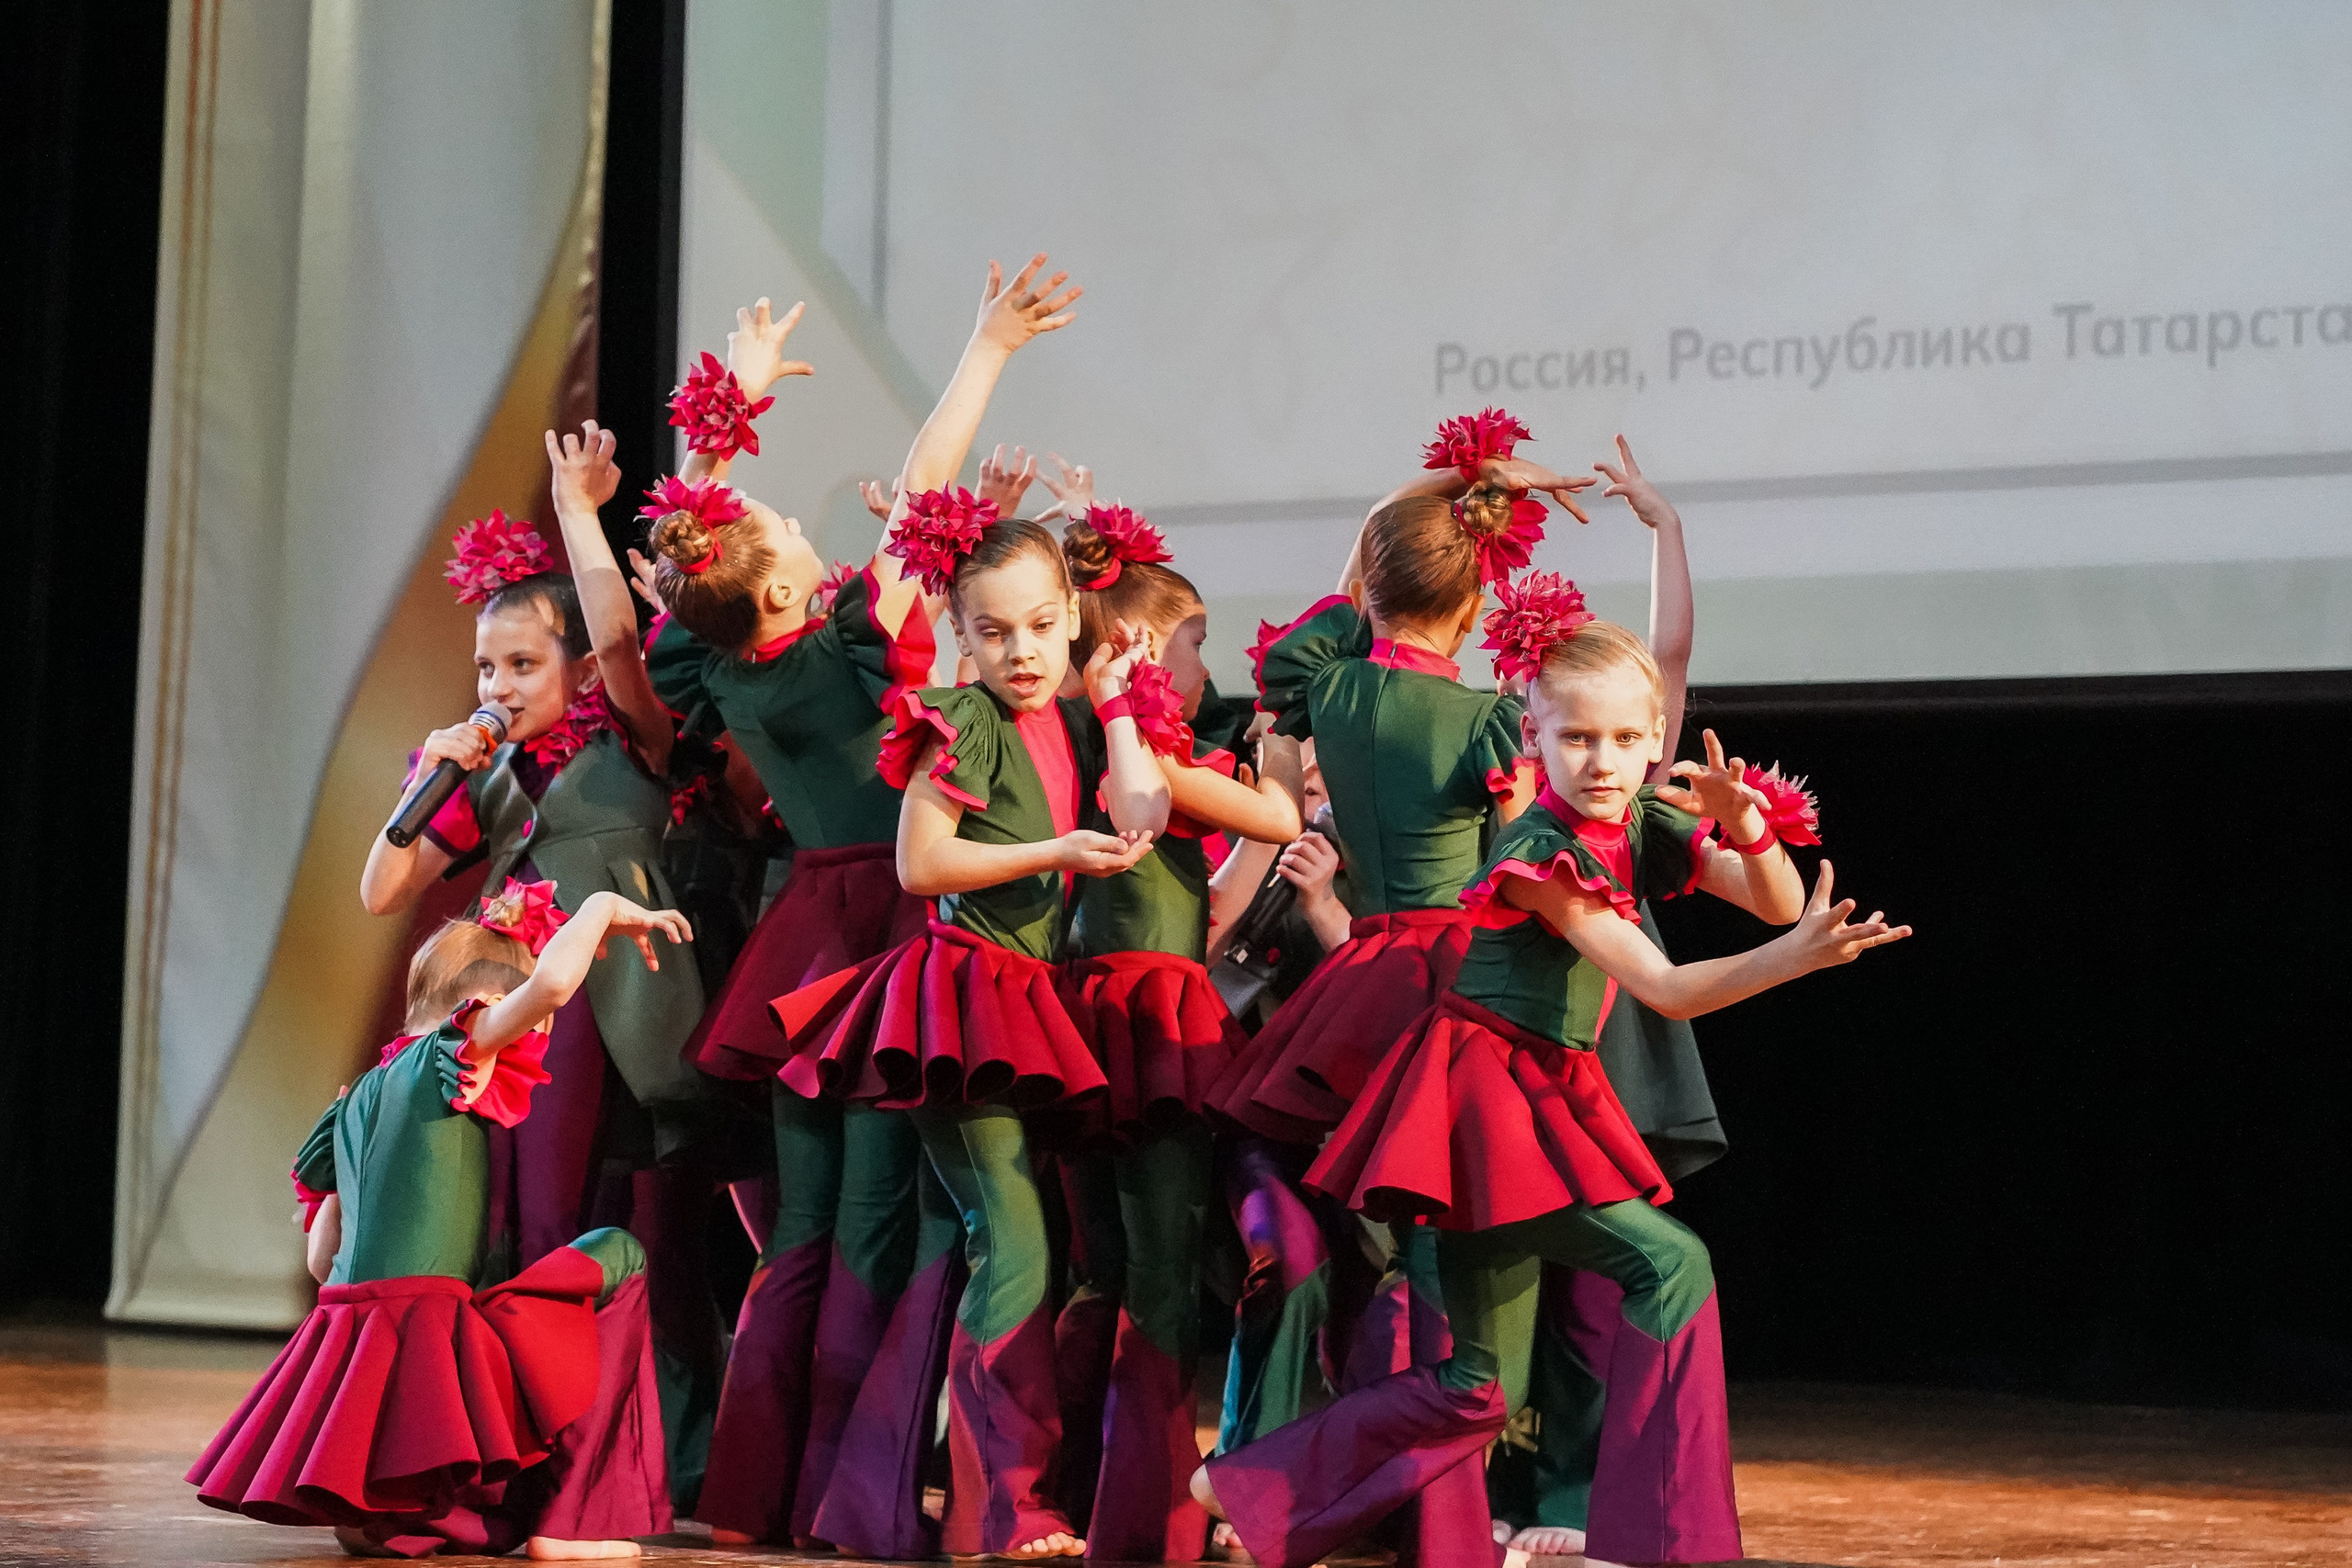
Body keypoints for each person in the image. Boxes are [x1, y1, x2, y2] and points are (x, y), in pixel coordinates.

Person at [1194, 583, 1910, 1568]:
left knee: (1479, 1387)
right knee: (1670, 1266)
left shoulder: (1639, 820)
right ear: (1529, 733)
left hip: (1530, 1092)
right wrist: (1797, 958)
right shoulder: (1539, 850)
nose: (1603, 762)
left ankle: (1247, 1480)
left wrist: (1746, 826)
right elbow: (1663, 986)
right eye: (1577, 740)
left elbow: (1771, 895)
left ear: (1654, 734)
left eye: (1624, 739)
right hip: (1485, 1104)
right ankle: (1657, 1540)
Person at [629, 264, 1078, 1552]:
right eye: (784, 533)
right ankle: (856, 1494)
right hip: (891, 928)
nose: (803, 535)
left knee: (805, 1231)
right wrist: (987, 346)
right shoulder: (838, 646)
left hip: (799, 932)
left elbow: (693, 533)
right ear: (777, 589)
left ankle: (751, 1495)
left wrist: (731, 409)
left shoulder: (713, 653)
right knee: (881, 1225)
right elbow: (929, 475)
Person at [1200, 413, 1591, 1567]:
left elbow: (1349, 590)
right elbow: (1520, 841)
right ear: (1476, 607)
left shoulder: (1328, 689)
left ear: (1366, 594)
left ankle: (1347, 1498)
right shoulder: (1483, 719)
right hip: (1456, 980)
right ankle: (1433, 1523)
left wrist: (1451, 484)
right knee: (1443, 1258)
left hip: (1359, 971)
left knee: (1401, 1244)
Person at [771, 489, 1170, 1562]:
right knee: (1015, 1244)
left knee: (1001, 1244)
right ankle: (1005, 1502)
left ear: (1073, 617)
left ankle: (921, 1494)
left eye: (1040, 625)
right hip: (963, 999)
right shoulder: (970, 717)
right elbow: (922, 864)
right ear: (959, 633)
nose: (1021, 649)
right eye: (992, 631)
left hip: (1028, 996)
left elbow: (1143, 819)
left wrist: (1121, 707)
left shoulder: (1066, 711)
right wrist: (1053, 854)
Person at [358, 501, 715, 1504]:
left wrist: (577, 510)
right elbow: (383, 891)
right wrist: (429, 777)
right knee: (512, 1226)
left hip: (629, 1014)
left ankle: (634, 1466)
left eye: (523, 665)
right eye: (486, 668)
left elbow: (612, 632)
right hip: (519, 1009)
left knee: (629, 1240)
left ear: (581, 676)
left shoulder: (634, 744)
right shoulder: (482, 776)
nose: (499, 688)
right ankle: (502, 1449)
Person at [189, 884, 694, 1560]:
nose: (534, 1039)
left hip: (355, 1343)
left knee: (497, 1302)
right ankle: (570, 1523)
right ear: (481, 1002)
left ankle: (386, 1507)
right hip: (423, 1331)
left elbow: (322, 1258)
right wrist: (600, 905)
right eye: (528, 1029)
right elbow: (549, 987)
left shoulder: (355, 1098)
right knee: (620, 1253)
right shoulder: (451, 1053)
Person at [1037, 483, 1305, 1562]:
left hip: (1100, 1010)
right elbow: (1253, 815)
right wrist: (1124, 711)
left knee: (1110, 1263)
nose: (1206, 667)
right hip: (1145, 1018)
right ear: (1145, 648)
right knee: (1140, 1267)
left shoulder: (1108, 744)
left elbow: (1221, 885)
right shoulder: (1138, 753)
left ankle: (1094, 1490)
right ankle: (1140, 1511)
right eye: (1193, 644)